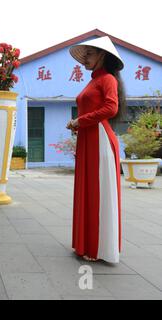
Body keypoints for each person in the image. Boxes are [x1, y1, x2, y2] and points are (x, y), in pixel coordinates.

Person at [67, 36, 125, 263]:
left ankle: (99, 248)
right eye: (85, 55)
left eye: (90, 54)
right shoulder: (92, 81)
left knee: (97, 191)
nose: (85, 59)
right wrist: (78, 124)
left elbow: (111, 107)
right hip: (88, 137)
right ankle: (86, 243)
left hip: (100, 138)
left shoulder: (107, 79)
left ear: (102, 55)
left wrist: (80, 121)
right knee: (87, 189)